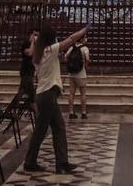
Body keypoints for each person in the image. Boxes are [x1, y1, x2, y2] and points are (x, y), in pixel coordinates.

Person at [24, 23, 88, 173]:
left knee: (57, 127)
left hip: (43, 93)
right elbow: (71, 39)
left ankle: (60, 162)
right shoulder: (50, 50)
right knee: (43, 129)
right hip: (48, 94)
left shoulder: (38, 53)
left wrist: (34, 40)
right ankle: (32, 161)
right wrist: (85, 29)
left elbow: (33, 49)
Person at [65, 37, 90, 119]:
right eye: (85, 37)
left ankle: (71, 112)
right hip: (81, 74)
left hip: (72, 74)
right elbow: (87, 59)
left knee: (71, 94)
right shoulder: (85, 48)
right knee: (83, 94)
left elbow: (66, 56)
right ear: (82, 39)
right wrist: (86, 65)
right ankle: (83, 113)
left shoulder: (72, 47)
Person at [18, 30, 39, 102]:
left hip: (31, 71)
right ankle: (36, 112)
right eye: (34, 35)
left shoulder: (37, 46)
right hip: (26, 71)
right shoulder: (26, 44)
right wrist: (32, 42)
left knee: (22, 91)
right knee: (31, 95)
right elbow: (30, 53)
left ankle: (15, 107)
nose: (36, 37)